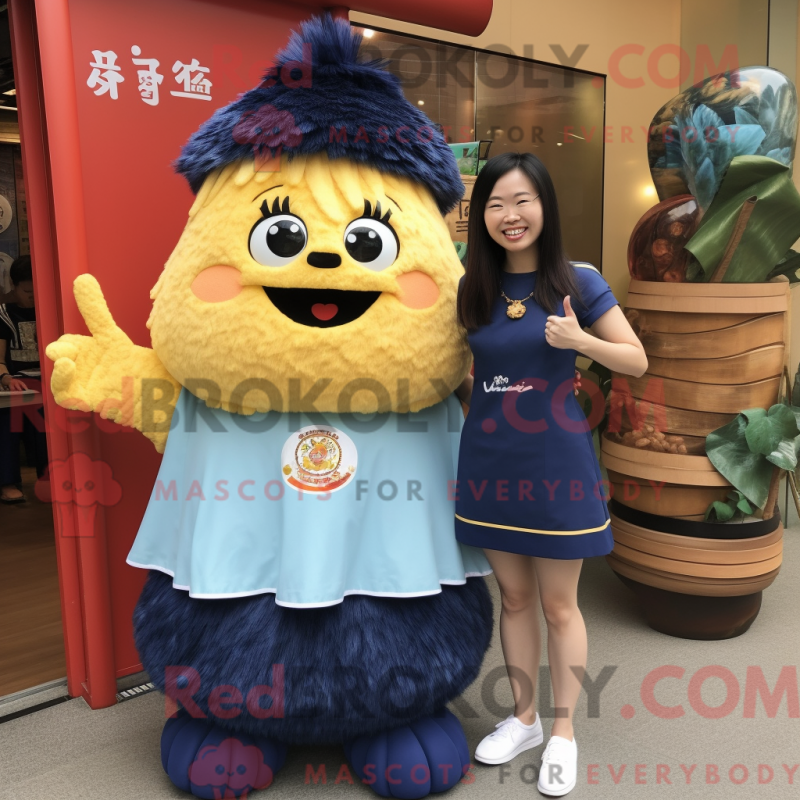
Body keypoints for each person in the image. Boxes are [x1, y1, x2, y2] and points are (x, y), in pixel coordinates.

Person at [452, 152, 647, 797]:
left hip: (556, 464)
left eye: (522, 201)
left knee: (560, 605)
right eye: (495, 204)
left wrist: (580, 342)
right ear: (481, 216)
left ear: (544, 207)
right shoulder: (473, 285)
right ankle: (525, 719)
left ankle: (563, 733)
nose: (509, 215)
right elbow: (471, 374)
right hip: (490, 462)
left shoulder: (577, 280)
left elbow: (636, 359)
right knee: (513, 598)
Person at [0, 255, 47, 503]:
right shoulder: (4, 314)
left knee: (47, 420)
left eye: (36, 291)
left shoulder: (49, 309)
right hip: (15, 381)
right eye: (27, 292)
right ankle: (8, 482)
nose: (33, 297)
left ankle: (49, 477)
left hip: (46, 380)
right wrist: (6, 378)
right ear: (13, 285)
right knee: (8, 419)